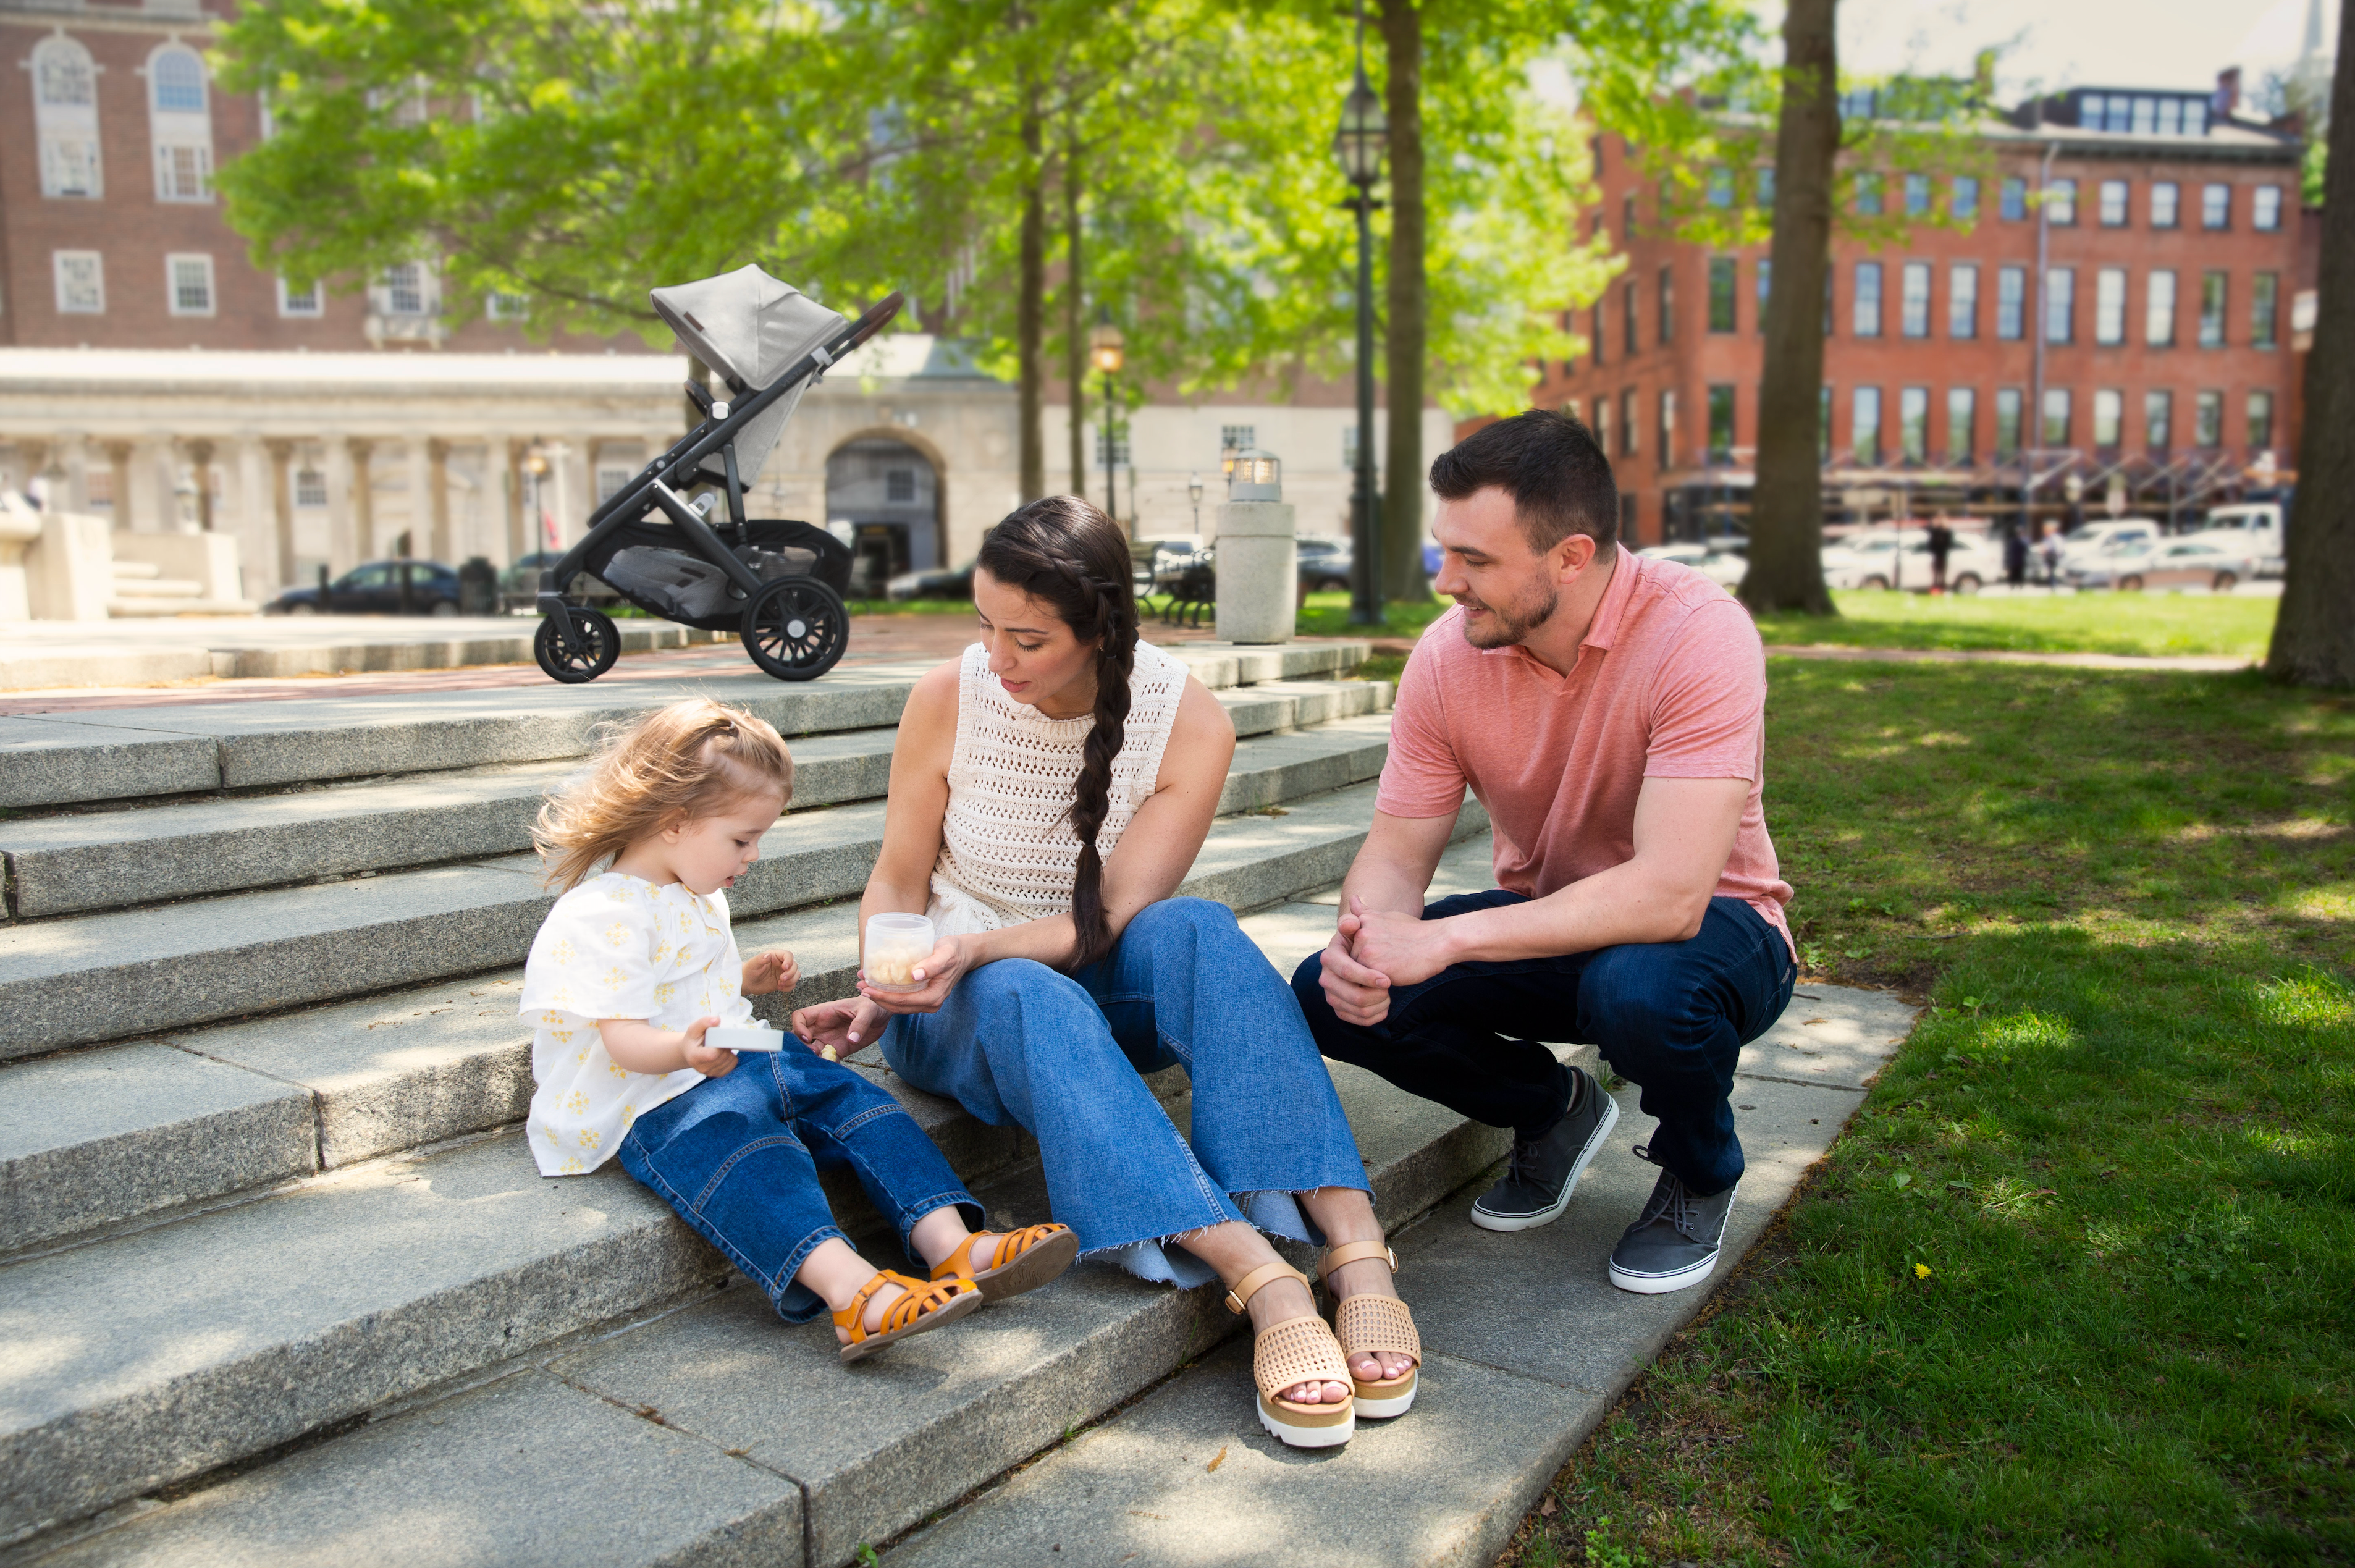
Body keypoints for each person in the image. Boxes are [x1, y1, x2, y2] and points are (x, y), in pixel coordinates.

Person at [791, 496, 1419, 1451]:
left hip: (1075, 967)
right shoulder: (948, 696)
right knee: (1020, 986)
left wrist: (983, 943)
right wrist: (889, 984)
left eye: (1028, 639)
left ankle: (1358, 1250)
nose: (997, 659)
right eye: (986, 626)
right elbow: (898, 873)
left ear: (1101, 629)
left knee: (1200, 928)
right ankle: (1259, 1270)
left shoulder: (1188, 723)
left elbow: (1113, 921)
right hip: (956, 1000)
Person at [1291, 409, 1796, 1297]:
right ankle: (1553, 1109)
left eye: (1475, 561)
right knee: (1333, 995)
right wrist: (1367, 935)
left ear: (1571, 555)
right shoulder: (1448, 659)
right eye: (1445, 551)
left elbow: (1673, 896)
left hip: (1719, 934)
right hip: (1556, 924)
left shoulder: (1697, 632)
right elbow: (1397, 850)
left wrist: (1445, 941)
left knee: (1637, 987)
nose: (1447, 583)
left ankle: (1701, 1166)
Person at [523, 698, 1075, 1362]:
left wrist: (745, 979)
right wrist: (683, 1050)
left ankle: (952, 1243)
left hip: (740, 1051)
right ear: (674, 823)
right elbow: (625, 1041)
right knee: (750, 1151)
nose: (753, 855)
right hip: (654, 1094)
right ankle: (855, 1293)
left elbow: (685, 981)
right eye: (741, 839)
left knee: (857, 1100)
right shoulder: (597, 913)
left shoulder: (696, 891)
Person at [1926, 513, 1956, 594]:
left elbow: (1950, 542)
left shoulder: (1947, 532)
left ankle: (1942, 590)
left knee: (1942, 574)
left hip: (1943, 555)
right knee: (1936, 573)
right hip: (1937, 555)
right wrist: (1934, 524)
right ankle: (1936, 589)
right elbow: (1930, 531)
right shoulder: (1936, 531)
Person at [2003, 521, 2029, 589]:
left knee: (2019, 574)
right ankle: (2014, 586)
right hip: (2016, 561)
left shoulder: (2021, 541)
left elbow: (2026, 549)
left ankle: (2018, 586)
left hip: (2019, 561)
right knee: (2015, 574)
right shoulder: (2016, 541)